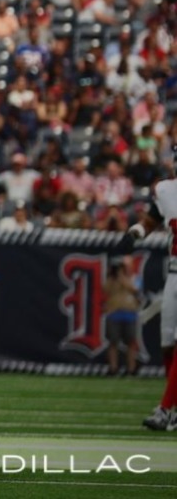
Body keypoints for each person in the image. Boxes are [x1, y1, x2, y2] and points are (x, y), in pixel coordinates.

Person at [124, 170, 177, 431]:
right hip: (174, 274)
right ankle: (173, 409)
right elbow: (152, 219)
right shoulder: (166, 190)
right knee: (167, 343)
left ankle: (165, 409)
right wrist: (136, 231)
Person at [103, 259, 141, 377]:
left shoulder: (134, 278)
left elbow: (134, 289)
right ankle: (113, 368)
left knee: (131, 342)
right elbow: (105, 289)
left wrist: (121, 276)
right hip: (114, 313)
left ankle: (131, 368)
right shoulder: (111, 279)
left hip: (130, 313)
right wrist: (112, 276)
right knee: (113, 342)